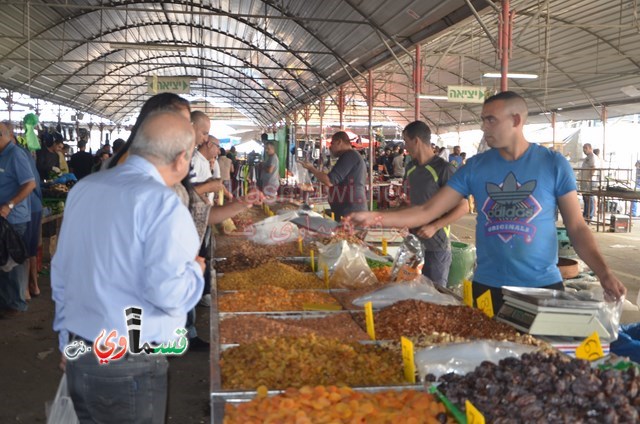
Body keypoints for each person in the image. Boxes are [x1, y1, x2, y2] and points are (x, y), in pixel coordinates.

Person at [348, 91, 626, 312]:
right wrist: (373, 217)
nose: (484, 127)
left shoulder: (553, 164)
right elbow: (426, 211)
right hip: (488, 287)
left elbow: (576, 227)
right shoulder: (476, 167)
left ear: (516, 120)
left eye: (490, 120)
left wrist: (604, 273)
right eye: (483, 119)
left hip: (542, 288)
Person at [52, 111, 205, 423]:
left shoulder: (85, 189)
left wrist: (67, 342)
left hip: (82, 351)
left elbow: (61, 272)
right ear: (181, 159)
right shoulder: (163, 204)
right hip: (130, 361)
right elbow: (169, 295)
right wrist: (195, 272)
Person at [401, 121, 469, 286]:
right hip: (414, 244)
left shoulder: (443, 169)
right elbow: (417, 202)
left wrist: (435, 226)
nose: (405, 146)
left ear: (416, 141)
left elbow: (463, 206)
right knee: (411, 292)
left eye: (406, 141)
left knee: (434, 294)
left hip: (436, 246)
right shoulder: (410, 167)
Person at [0, 122, 36, 317]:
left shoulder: (15, 155)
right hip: (3, 218)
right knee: (2, 260)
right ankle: (6, 301)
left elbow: (30, 184)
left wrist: (9, 205)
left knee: (12, 261)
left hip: (13, 218)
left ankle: (15, 303)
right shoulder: (2, 155)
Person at [301, 131, 367, 221]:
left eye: (332, 143)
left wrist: (311, 168)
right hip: (347, 208)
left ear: (339, 142)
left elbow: (329, 181)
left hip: (350, 210)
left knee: (347, 235)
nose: (330, 147)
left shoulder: (349, 156)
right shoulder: (349, 156)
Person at [580, 143, 598, 222]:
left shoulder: (592, 157)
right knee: (585, 198)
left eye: (586, 148)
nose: (584, 150)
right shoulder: (587, 158)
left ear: (590, 148)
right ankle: (585, 214)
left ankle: (589, 216)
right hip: (585, 180)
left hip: (589, 181)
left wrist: (589, 178)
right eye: (583, 148)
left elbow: (593, 168)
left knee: (589, 198)